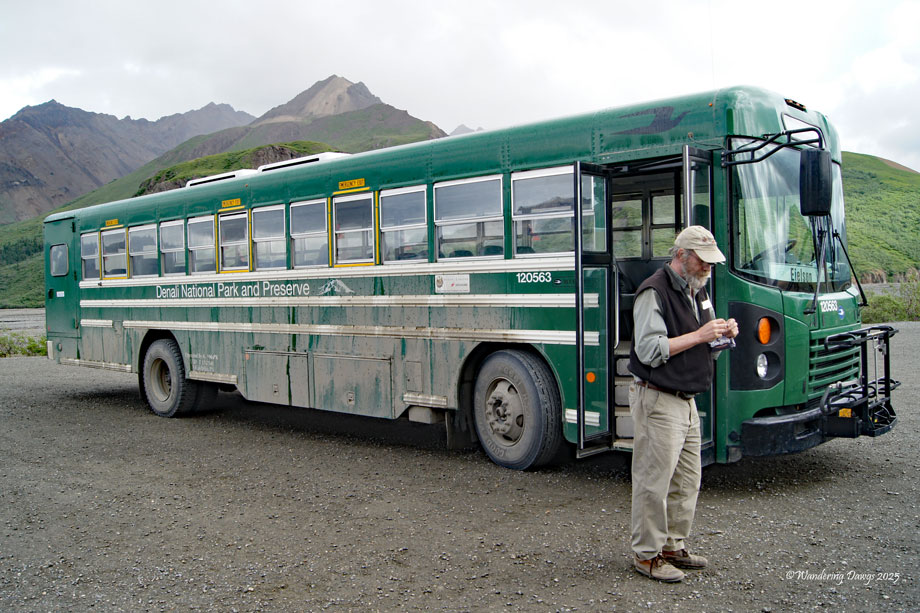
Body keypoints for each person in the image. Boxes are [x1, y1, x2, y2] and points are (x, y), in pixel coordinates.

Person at [627, 225, 739, 582]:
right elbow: (649, 350)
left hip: (686, 400)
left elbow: (704, 345)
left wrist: (721, 337)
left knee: (687, 479)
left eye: (711, 263)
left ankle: (672, 545)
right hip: (658, 397)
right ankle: (646, 554)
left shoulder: (698, 291)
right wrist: (700, 335)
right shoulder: (653, 291)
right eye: (703, 262)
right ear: (682, 256)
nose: (708, 269)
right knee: (653, 481)